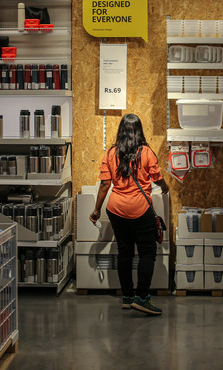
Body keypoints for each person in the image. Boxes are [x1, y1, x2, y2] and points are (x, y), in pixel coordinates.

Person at [90, 113, 169, 316]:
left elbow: (105, 185)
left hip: (116, 210)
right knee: (147, 253)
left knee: (125, 252)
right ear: (139, 130)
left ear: (121, 130)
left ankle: (127, 297)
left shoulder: (111, 153)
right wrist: (165, 187)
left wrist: (97, 210)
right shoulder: (147, 152)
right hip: (141, 210)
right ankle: (142, 298)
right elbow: (157, 177)